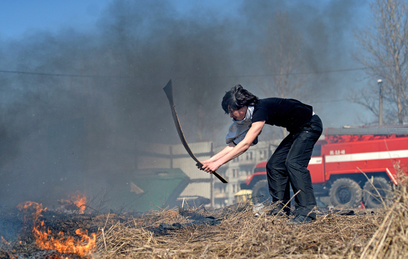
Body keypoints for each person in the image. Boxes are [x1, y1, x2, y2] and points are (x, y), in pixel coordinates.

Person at [199, 84, 323, 224]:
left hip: (310, 125)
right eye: (229, 112)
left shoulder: (260, 109)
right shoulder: (250, 117)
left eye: (233, 111)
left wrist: (218, 164)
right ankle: (280, 211)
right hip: (297, 131)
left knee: (293, 163)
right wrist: (210, 161)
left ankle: (307, 212)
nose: (231, 115)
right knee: (274, 165)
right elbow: (234, 145)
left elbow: (245, 145)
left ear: (243, 105)